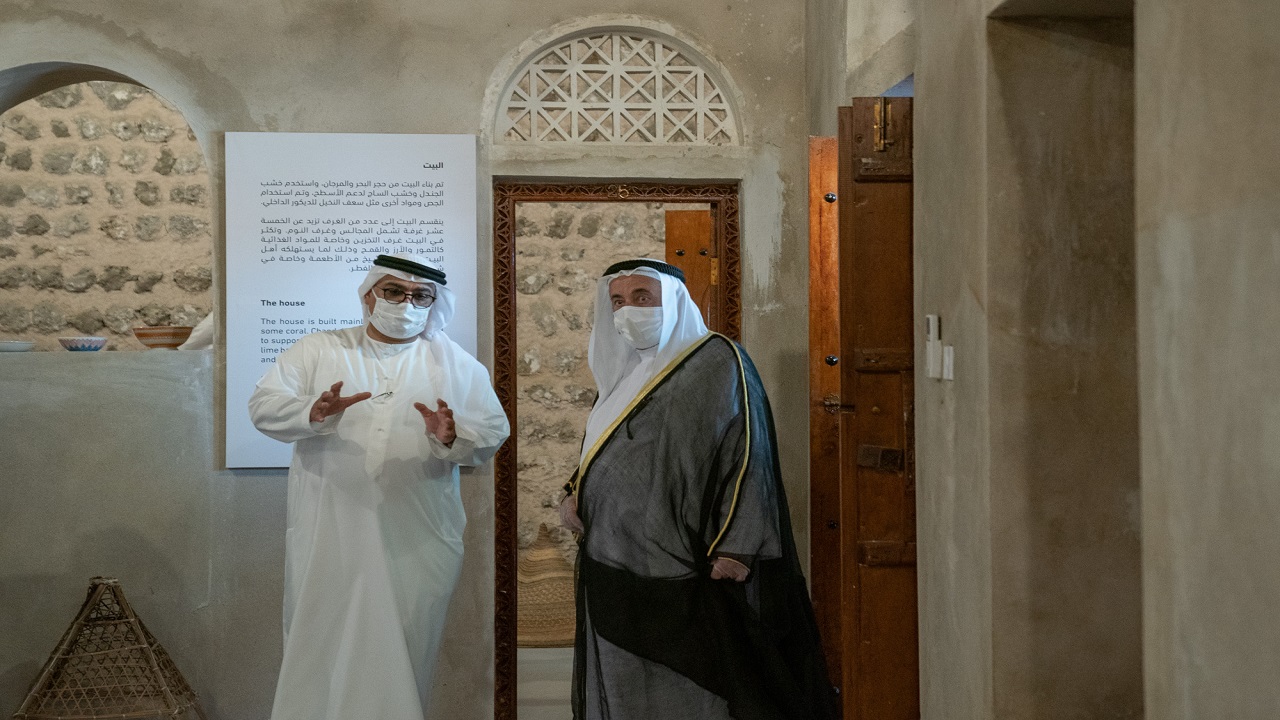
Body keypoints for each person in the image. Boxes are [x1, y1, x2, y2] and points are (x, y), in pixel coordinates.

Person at [559, 258, 838, 720]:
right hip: (612, 558)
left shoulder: (717, 361)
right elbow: (603, 448)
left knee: (700, 683)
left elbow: (747, 455)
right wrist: (574, 492)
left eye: (642, 297)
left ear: (673, 301)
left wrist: (738, 546)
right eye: (618, 301)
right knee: (626, 676)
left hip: (688, 561)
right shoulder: (623, 372)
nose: (628, 310)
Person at [249, 253, 510, 720]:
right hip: (330, 530)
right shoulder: (319, 349)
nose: (406, 303)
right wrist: (312, 411)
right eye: (394, 291)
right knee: (321, 643)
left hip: (416, 537)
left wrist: (452, 437)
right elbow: (263, 405)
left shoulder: (455, 365)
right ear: (369, 295)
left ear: (434, 303)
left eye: (420, 295)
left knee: (404, 648)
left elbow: (492, 431)